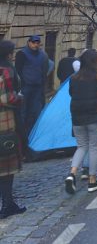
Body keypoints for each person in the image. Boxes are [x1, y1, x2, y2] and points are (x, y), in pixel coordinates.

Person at [65, 49, 97, 194]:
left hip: (77, 117)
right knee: (94, 147)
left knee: (81, 146)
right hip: (96, 116)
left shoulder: (74, 77)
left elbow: (71, 93)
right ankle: (92, 180)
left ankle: (72, 174)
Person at [0, 41, 25, 219]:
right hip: (5, 122)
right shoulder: (6, 70)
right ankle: (7, 204)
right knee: (6, 167)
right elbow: (6, 98)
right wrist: (20, 97)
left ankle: (9, 203)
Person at [15, 35, 49, 141]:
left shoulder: (43, 55)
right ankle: (21, 135)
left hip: (37, 88)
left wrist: (43, 85)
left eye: (37, 43)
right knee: (23, 111)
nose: (36, 45)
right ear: (28, 42)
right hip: (25, 87)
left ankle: (31, 134)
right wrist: (21, 85)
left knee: (35, 111)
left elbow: (45, 70)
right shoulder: (22, 54)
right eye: (33, 42)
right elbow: (18, 70)